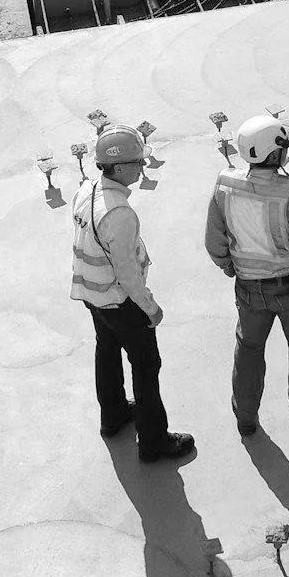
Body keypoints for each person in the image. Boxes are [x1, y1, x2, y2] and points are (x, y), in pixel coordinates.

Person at [72, 125, 196, 465]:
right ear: (121, 167)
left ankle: (113, 417)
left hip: (92, 293)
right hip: (120, 301)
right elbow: (127, 274)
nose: (143, 167)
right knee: (146, 365)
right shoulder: (120, 214)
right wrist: (150, 307)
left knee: (107, 350)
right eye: (138, 162)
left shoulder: (87, 189)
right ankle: (154, 441)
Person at [204, 113, 289, 434]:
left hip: (248, 290)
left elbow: (214, 241)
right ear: (275, 154)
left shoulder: (224, 184)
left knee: (248, 351)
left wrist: (230, 266)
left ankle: (245, 418)